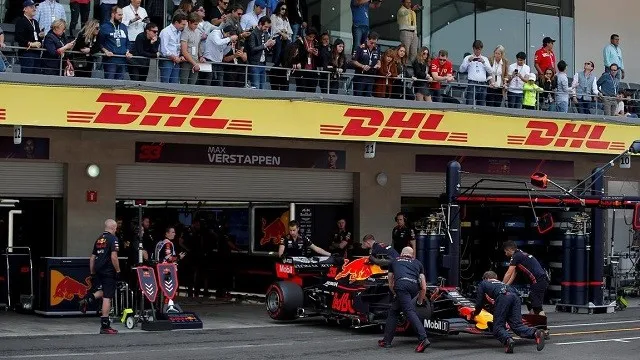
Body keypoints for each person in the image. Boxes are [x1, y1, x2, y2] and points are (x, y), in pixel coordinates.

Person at [471, 271, 545, 354]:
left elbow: (479, 303)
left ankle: (508, 340)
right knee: (517, 325)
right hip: (515, 297)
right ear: (495, 278)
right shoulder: (502, 284)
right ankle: (536, 333)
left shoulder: (484, 283)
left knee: (497, 327)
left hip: (503, 296)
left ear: (486, 278)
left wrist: (475, 314)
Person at [378, 247, 430, 352]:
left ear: (401, 253)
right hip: (413, 287)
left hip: (401, 286)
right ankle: (386, 340)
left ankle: (423, 338)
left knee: (409, 311)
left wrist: (395, 293)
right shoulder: (418, 263)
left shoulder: (394, 261)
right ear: (412, 255)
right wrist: (420, 301)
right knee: (394, 311)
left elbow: (390, 282)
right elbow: (423, 287)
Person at [78, 219, 121, 334]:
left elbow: (92, 258)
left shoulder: (98, 239)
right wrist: (118, 270)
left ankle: (87, 299)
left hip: (98, 269)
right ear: (112, 227)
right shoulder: (113, 239)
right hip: (108, 270)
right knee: (107, 296)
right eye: (116, 228)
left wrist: (92, 273)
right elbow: (114, 257)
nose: (116, 230)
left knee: (103, 290)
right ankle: (105, 326)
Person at [502, 240, 549, 316]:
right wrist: (506, 285)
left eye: (505, 251)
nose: (505, 254)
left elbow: (508, 273)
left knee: (537, 307)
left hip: (538, 281)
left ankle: (543, 326)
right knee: (529, 301)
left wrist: (501, 285)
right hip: (539, 281)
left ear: (509, 250)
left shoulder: (516, 256)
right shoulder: (520, 254)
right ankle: (532, 322)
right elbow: (514, 274)